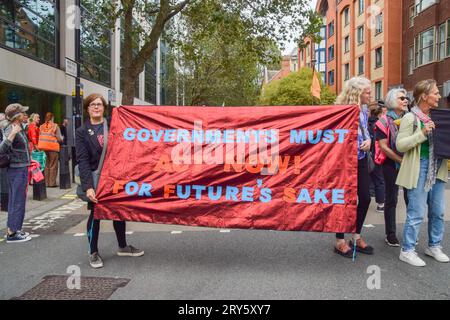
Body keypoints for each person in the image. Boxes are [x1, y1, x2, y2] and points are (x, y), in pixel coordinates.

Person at [75, 93, 144, 269]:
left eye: (99, 104)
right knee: (96, 215)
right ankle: (93, 252)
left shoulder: (115, 125)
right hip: (97, 180)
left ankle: (123, 246)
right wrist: (88, 186)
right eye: (92, 105)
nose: (96, 107)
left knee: (118, 211)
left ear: (104, 108)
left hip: (116, 179)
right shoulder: (82, 132)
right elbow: (82, 161)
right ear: (87, 108)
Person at [397, 79, 449, 267]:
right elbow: (400, 145)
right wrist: (422, 134)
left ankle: (434, 246)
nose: (439, 96)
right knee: (416, 212)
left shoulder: (440, 116)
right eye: (435, 93)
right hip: (419, 167)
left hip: (438, 166)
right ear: (424, 96)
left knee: (438, 211)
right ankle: (407, 250)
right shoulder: (410, 118)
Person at [334, 77, 374, 258]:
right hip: (344, 163)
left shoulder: (364, 111)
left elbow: (365, 132)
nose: (370, 94)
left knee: (365, 198)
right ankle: (340, 241)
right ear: (357, 93)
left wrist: (368, 141)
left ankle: (356, 236)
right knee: (343, 200)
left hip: (361, 159)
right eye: (367, 92)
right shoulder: (341, 111)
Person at [374, 88, 409, 247]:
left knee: (411, 199)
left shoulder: (409, 119)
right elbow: (383, 147)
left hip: (409, 164)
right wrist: (401, 160)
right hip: (391, 164)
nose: (405, 100)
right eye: (402, 98)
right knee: (392, 199)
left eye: (406, 98)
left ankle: (409, 233)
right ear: (392, 101)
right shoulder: (383, 122)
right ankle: (391, 234)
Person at [0, 104, 32, 243]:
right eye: (22, 113)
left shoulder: (18, 127)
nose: (25, 115)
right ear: (16, 116)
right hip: (16, 169)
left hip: (21, 168)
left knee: (18, 199)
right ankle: (12, 233)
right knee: (16, 200)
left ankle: (15, 229)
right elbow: (2, 149)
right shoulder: (10, 128)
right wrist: (13, 133)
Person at [368, 101, 385, 213]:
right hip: (377, 156)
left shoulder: (363, 123)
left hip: (364, 156)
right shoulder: (380, 125)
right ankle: (380, 204)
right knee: (379, 180)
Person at [38, 112, 63, 187]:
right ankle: (52, 183)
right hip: (52, 148)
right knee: (53, 165)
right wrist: (62, 139)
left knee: (46, 165)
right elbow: (59, 138)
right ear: (52, 118)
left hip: (43, 147)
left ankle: (46, 182)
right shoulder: (55, 126)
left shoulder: (41, 126)